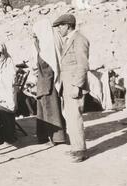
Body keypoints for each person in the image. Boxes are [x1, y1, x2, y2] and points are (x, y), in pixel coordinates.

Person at [53, 14, 90, 162]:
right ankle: (76, 147)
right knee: (71, 118)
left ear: (68, 26)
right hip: (67, 86)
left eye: (61, 26)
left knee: (75, 118)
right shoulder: (69, 40)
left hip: (74, 86)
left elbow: (83, 65)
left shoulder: (80, 40)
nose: (59, 29)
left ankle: (80, 151)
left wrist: (77, 86)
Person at [32, 18, 66, 146]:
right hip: (44, 83)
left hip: (48, 84)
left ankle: (56, 138)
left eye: (36, 35)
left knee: (50, 110)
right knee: (44, 112)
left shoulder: (47, 48)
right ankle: (45, 137)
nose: (34, 37)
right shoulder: (45, 45)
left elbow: (47, 66)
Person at [0, 42, 17, 144]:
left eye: (0, 53)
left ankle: (9, 136)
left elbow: (10, 80)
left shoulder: (9, 63)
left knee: (6, 111)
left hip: (7, 92)